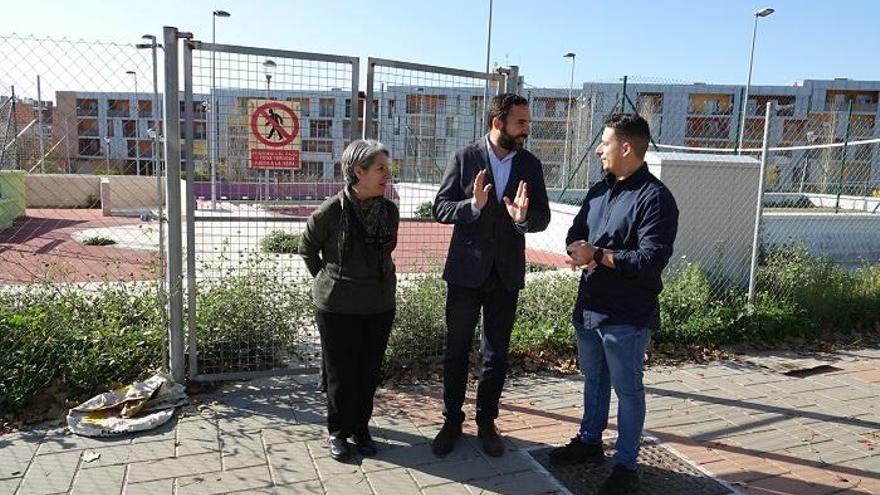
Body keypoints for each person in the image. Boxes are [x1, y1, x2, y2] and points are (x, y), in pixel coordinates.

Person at [549, 113, 678, 495]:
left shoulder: (656, 199)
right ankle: (590, 441)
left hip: (626, 315)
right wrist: (577, 250)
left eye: (604, 143)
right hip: (590, 306)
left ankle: (626, 465)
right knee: (594, 379)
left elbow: (650, 260)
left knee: (628, 388)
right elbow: (577, 232)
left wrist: (599, 255)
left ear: (626, 147)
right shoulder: (599, 190)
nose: (598, 151)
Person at [431, 93, 551, 458]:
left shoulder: (530, 164)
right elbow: (440, 207)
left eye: (527, 123)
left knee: (495, 354)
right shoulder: (465, 158)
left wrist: (523, 220)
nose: (526, 129)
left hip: (505, 274)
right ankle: (452, 420)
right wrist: (472, 206)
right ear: (497, 123)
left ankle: (486, 422)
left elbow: (542, 216)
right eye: (521, 123)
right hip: (466, 274)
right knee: (456, 351)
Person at [299, 139, 398, 462]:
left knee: (368, 372)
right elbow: (307, 249)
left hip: (379, 304)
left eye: (387, 169)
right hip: (337, 307)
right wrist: (328, 280)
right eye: (380, 169)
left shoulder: (389, 210)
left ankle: (361, 428)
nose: (387, 175)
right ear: (358, 172)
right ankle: (338, 432)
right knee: (341, 374)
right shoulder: (330, 211)